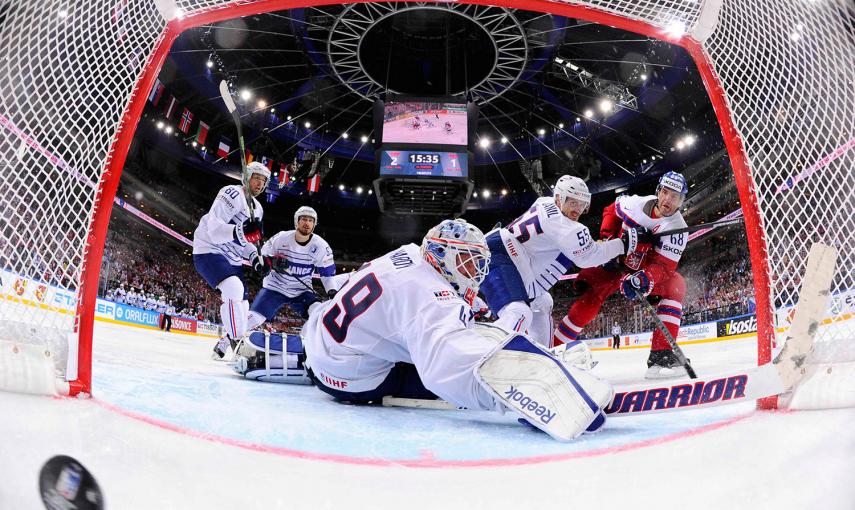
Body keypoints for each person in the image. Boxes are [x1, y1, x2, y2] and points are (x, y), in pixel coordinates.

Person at [273, 219, 614, 441]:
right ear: (442, 255)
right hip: (352, 379)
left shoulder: (407, 254)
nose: (477, 273)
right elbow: (444, 372)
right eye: (469, 262)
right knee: (446, 372)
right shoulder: (433, 296)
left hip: (322, 338)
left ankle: (280, 357)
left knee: (455, 334)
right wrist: (518, 395)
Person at [479, 175, 648, 352]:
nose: (578, 210)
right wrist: (623, 244)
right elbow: (590, 257)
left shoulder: (544, 202)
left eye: (582, 204)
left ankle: (542, 358)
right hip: (500, 256)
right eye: (573, 202)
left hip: (510, 258)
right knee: (518, 313)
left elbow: (568, 246)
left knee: (543, 302)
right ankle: (484, 360)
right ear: (559, 199)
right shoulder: (568, 228)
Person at [553, 171, 689, 379]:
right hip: (615, 262)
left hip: (641, 269)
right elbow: (610, 211)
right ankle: (553, 352)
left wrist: (645, 278)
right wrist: (607, 239)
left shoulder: (678, 229)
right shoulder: (633, 204)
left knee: (676, 284)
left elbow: (664, 267)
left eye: (675, 197)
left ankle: (660, 358)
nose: (668, 200)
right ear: (658, 191)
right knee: (589, 301)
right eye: (665, 192)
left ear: (681, 201)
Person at [193, 161, 271, 359]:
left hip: (233, 259)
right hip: (210, 249)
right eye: (257, 178)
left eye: (264, 181)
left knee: (243, 304)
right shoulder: (232, 193)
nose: (260, 184)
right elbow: (215, 229)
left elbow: (246, 242)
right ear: (246, 177)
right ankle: (238, 345)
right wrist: (241, 230)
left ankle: (227, 343)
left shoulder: (258, 208)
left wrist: (255, 258)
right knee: (233, 289)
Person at [244, 206, 340, 332]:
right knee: (255, 318)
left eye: (311, 221)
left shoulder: (321, 246)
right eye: (304, 219)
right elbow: (261, 258)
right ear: (297, 221)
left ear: (314, 225)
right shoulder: (281, 238)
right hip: (275, 288)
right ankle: (226, 340)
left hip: (301, 291)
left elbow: (327, 275)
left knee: (317, 313)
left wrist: (332, 291)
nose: (307, 223)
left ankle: (306, 347)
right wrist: (272, 261)